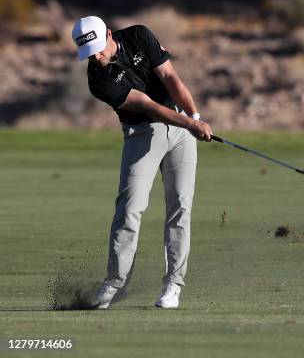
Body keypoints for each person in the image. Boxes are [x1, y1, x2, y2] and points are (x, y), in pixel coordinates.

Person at [71, 16, 212, 309]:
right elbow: (148, 106)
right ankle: (115, 283)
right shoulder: (98, 80)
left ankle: (174, 284)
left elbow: (170, 77)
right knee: (130, 207)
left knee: (180, 207)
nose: (96, 57)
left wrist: (194, 116)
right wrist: (188, 123)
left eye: (99, 48)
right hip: (141, 133)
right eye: (89, 54)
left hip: (181, 128)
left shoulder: (139, 35)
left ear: (109, 34)